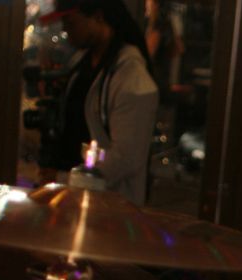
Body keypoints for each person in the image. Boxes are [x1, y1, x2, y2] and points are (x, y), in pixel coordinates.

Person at [41, 0, 158, 205]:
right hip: (77, 199)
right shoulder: (82, 63)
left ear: (98, 16)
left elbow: (125, 159)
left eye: (70, 22)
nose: (65, 30)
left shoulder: (131, 78)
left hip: (109, 209)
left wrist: (63, 179)